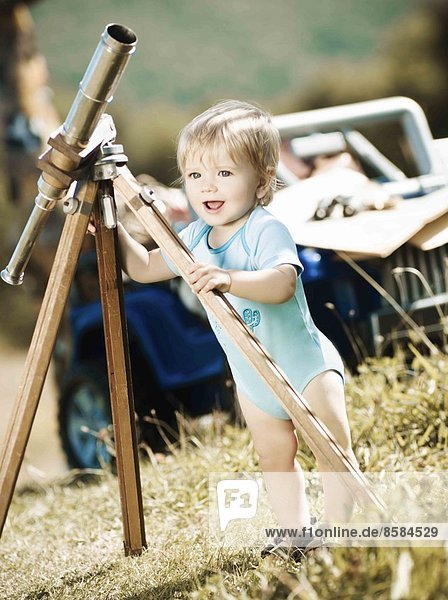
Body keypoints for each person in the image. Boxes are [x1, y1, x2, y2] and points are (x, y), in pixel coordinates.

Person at [114, 99, 359, 558]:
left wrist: (230, 279)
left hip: (304, 365)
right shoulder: (192, 239)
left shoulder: (265, 229)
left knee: (330, 450)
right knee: (274, 458)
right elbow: (144, 268)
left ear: (262, 180)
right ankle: (295, 536)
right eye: (195, 175)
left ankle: (340, 532)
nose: (208, 186)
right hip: (253, 379)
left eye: (225, 173)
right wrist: (112, 232)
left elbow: (283, 283)